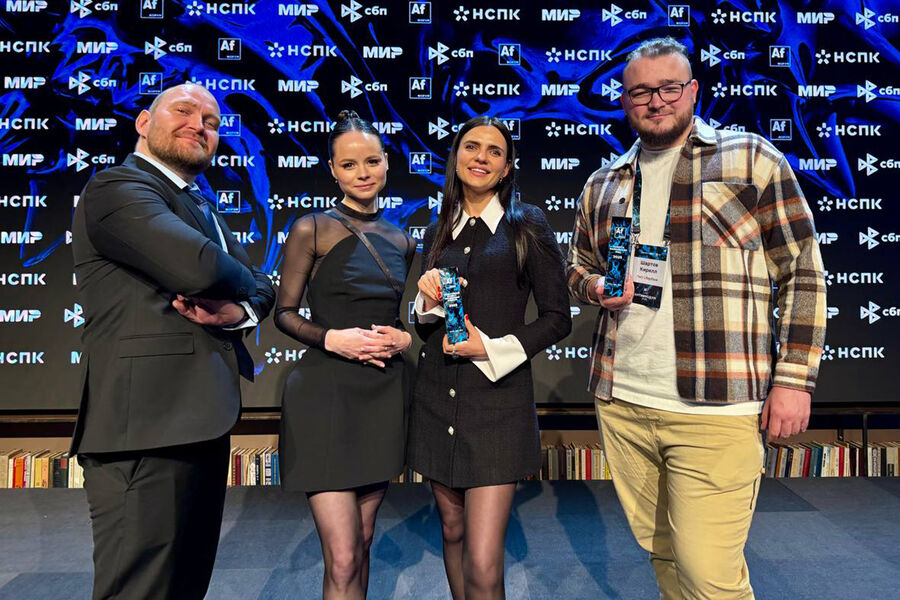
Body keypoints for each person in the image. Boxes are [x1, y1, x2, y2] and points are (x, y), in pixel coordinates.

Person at [566, 37, 827, 599]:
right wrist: (594, 286)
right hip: (623, 399)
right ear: (625, 100)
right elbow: (578, 266)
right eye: (641, 92)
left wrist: (794, 379)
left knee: (709, 575)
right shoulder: (604, 182)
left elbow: (802, 272)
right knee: (664, 554)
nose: (656, 101)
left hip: (718, 406)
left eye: (669, 88)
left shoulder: (751, 158)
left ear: (693, 91)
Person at [70, 82, 275, 599]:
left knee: (184, 587)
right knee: (140, 589)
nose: (199, 126)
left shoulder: (199, 202)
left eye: (211, 122)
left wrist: (240, 308)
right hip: (144, 429)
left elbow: (260, 284)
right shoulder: (117, 187)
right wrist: (243, 282)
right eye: (183, 111)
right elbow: (203, 268)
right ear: (144, 122)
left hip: (200, 423)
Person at [408, 116, 572, 599]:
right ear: (456, 158)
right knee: (452, 533)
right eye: (471, 147)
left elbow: (558, 318)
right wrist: (425, 303)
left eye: (494, 151)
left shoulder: (527, 225)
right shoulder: (437, 229)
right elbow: (426, 326)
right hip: (437, 400)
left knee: (482, 562)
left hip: (498, 405)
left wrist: (492, 348)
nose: (480, 157)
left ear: (506, 168)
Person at [274, 110, 414, 599]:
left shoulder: (402, 239)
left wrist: (404, 339)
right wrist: (332, 338)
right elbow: (283, 313)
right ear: (332, 169)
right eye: (349, 164)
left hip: (382, 396)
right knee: (344, 554)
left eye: (372, 161)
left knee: (365, 540)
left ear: (386, 163)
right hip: (325, 396)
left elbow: (400, 320)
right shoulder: (311, 228)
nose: (363, 173)